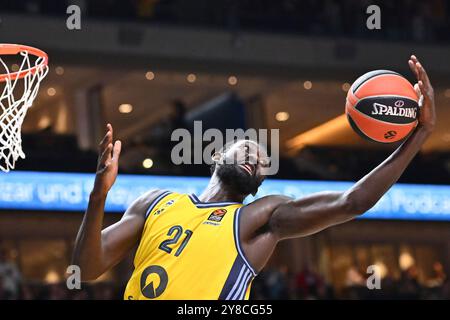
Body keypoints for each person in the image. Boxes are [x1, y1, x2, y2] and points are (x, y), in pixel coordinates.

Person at [73, 55, 436, 300]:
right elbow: (86, 267)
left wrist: (420, 133)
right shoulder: (155, 202)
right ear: (217, 156)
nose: (256, 158)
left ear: (260, 184)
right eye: (248, 149)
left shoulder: (258, 220)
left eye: (263, 161)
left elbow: (352, 202)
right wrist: (98, 197)